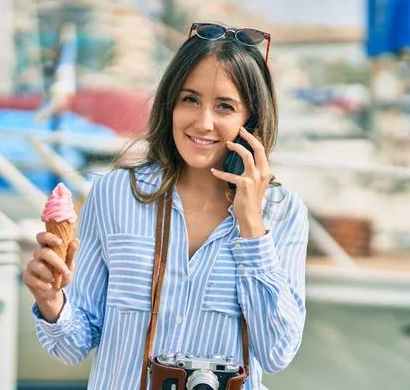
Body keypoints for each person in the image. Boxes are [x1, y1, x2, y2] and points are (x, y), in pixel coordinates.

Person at [23, 22, 310, 389]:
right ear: (170, 103)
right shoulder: (114, 194)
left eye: (225, 106)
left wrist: (252, 225)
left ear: (249, 119)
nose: (203, 123)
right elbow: (74, 345)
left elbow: (276, 353)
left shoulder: (282, 212)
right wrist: (51, 301)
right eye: (190, 99)